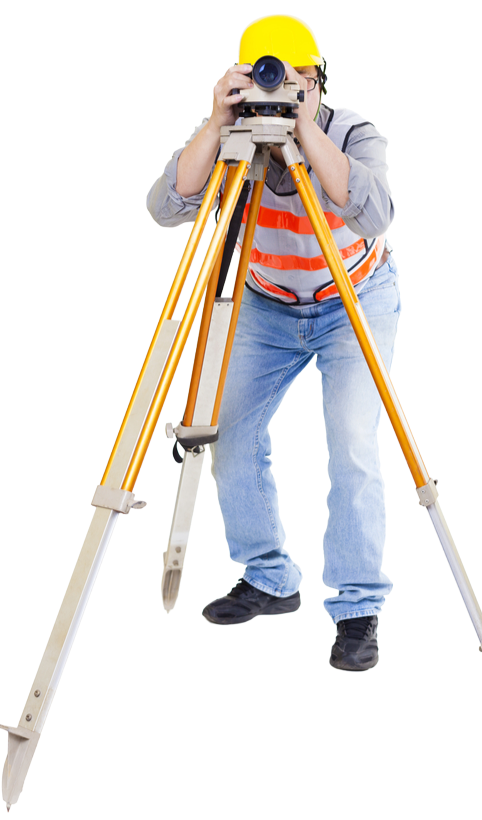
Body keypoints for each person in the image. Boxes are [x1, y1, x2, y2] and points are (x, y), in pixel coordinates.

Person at [145, 12, 402, 672]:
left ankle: (357, 606)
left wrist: (304, 128)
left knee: (351, 439)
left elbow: (375, 213)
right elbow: (165, 207)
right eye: (264, 75)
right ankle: (269, 577)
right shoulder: (231, 134)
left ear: (318, 81)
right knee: (226, 430)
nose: (277, 90)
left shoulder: (351, 131)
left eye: (293, 78)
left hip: (353, 299)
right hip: (265, 303)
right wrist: (215, 120)